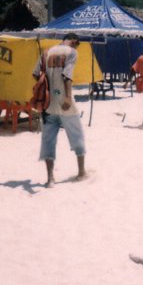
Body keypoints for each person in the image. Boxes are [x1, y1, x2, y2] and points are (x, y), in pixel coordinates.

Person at [32, 33, 87, 187]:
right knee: (77, 135)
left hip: (48, 103)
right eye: (77, 44)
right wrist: (68, 98)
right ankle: (81, 173)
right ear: (73, 41)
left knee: (48, 140)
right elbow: (67, 76)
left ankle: (50, 179)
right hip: (64, 103)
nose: (77, 48)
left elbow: (36, 74)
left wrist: (47, 89)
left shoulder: (46, 52)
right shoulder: (72, 52)